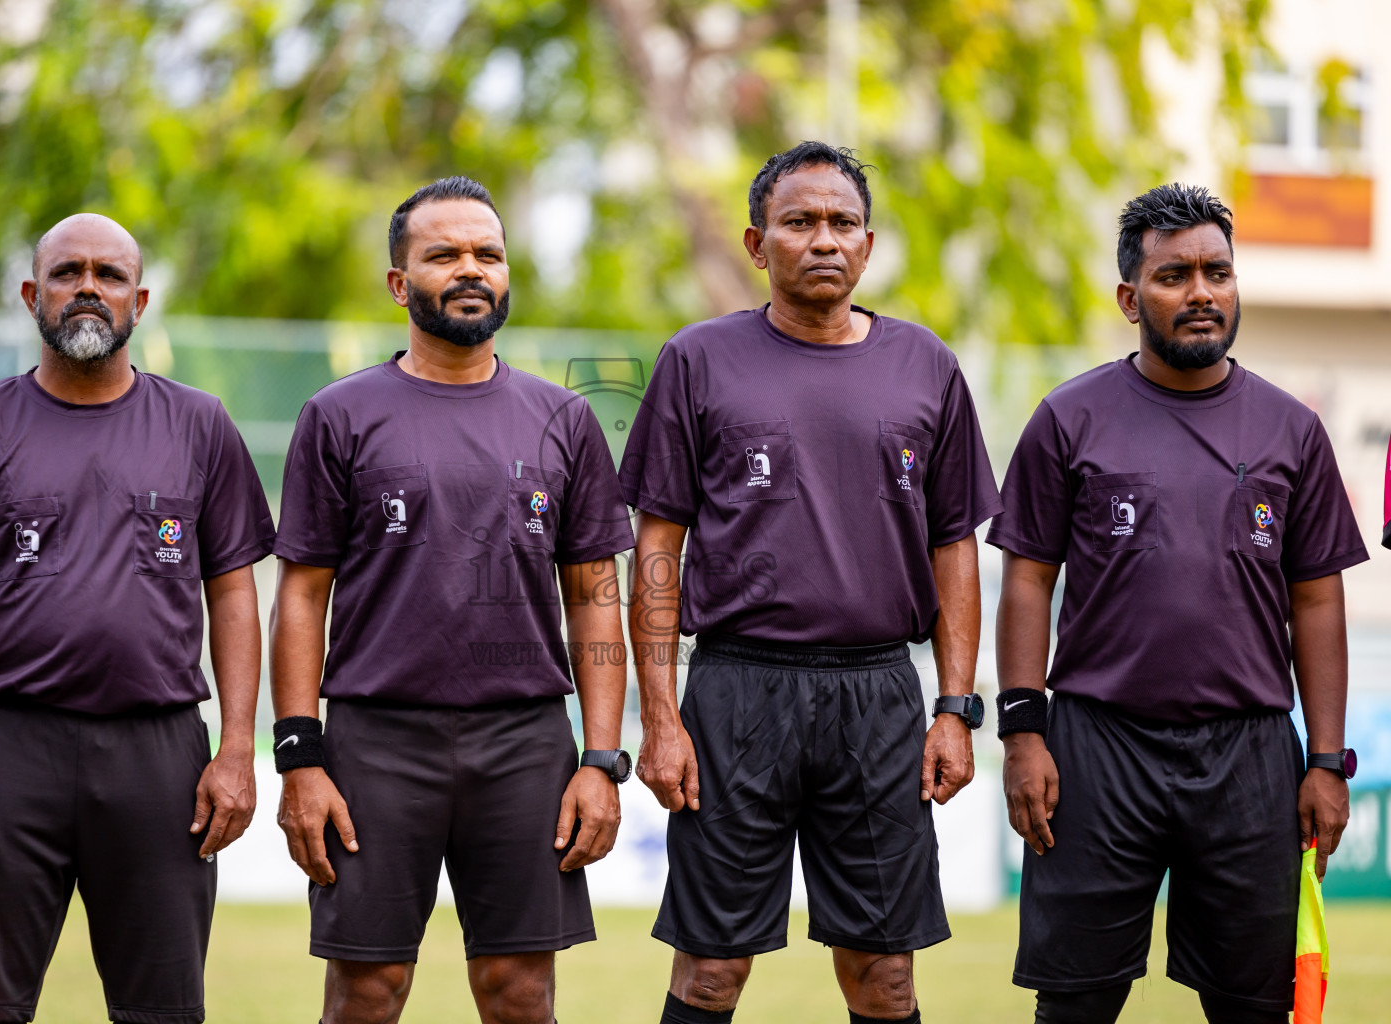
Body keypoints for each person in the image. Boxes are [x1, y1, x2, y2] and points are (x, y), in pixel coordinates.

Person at [620, 142, 1002, 1024]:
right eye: (799, 222)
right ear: (759, 244)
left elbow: (955, 549)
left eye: (842, 223)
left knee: (886, 978)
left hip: (879, 695)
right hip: (735, 692)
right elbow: (656, 551)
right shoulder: (698, 360)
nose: (823, 238)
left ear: (868, 247)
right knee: (710, 973)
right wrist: (663, 717)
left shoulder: (926, 366)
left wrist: (955, 707)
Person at [988, 183, 1366, 1024]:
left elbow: (1316, 600)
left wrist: (1327, 759)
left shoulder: (1289, 429)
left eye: (1218, 273)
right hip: (1097, 745)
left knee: (1255, 1005)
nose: (1201, 292)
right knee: (1076, 1003)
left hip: (1249, 755)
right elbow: (1026, 580)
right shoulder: (1068, 417)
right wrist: (1023, 732)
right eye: (1174, 276)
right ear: (1131, 297)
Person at [0, 213, 276, 1023]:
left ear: (139, 298)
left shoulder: (200, 426)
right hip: (3, 749)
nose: (88, 287)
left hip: (159, 754)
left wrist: (238, 748)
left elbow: (234, 593)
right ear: (33, 294)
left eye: (108, 274)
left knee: (163, 1009)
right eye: (67, 273)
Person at [269, 176, 636, 1024]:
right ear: (400, 284)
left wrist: (601, 759)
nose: (471, 269)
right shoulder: (339, 415)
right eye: (445, 254)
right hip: (375, 739)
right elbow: (301, 596)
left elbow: (593, 599)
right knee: (368, 991)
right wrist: (299, 757)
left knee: (520, 994)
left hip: (524, 741)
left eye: (488, 254)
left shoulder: (564, 420)